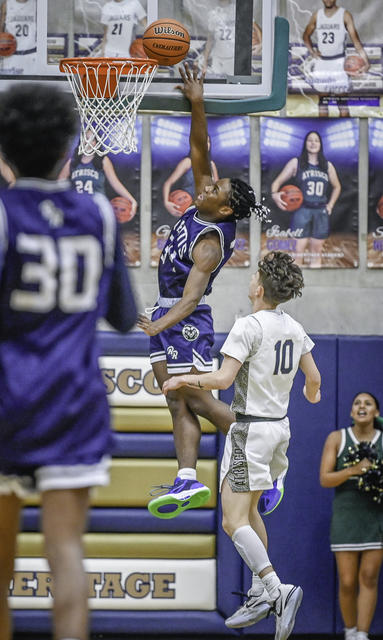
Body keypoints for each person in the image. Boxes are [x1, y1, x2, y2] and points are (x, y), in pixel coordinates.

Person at [0, 83, 137, 640]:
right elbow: (124, 316)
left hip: (8, 401)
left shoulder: (6, 216)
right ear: (69, 147)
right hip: (75, 404)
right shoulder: (99, 215)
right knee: (66, 555)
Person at [163, 250, 321, 638]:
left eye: (253, 276)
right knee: (250, 515)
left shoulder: (248, 326)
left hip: (250, 431)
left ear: (260, 287)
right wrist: (310, 396)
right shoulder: (294, 327)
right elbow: (314, 381)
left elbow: (221, 380)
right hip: (280, 430)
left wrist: (182, 381)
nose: (250, 280)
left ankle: (275, 589)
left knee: (232, 521)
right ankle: (258, 594)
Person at [137, 63, 270, 520]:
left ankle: (263, 460)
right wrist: (197, 101)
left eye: (215, 188)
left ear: (226, 206)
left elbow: (192, 300)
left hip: (185, 320)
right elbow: (200, 148)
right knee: (174, 396)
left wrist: (159, 323)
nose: (206, 184)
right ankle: (188, 478)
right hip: (168, 311)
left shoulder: (211, 242)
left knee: (195, 397)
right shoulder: (205, 202)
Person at [319, 392, 383, 640]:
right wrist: (355, 470)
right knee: (347, 581)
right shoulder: (337, 438)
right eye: (357, 403)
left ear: (376, 412)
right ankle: (350, 631)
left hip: (375, 517)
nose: (362, 406)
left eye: (368, 403)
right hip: (346, 516)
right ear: (351, 412)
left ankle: (363, 634)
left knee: (369, 578)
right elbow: (325, 478)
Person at [271, 130, 341, 269]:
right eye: (310, 140)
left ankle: (315, 288)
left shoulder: (327, 166)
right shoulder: (296, 163)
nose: (313, 143)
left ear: (320, 144)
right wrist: (274, 194)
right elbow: (277, 182)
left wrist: (330, 205)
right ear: (305, 143)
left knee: (316, 252)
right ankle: (296, 287)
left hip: (321, 210)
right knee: (297, 252)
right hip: (302, 209)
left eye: (316, 140)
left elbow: (337, 186)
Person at [303, 0, 369, 117]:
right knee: (323, 102)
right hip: (322, 63)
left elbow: (355, 40)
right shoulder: (317, 15)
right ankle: (323, 131)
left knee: (342, 102)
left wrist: (366, 61)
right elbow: (306, 35)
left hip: (339, 63)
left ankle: (347, 130)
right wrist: (312, 52)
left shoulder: (344, 15)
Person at [59, 141, 137, 217]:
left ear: (96, 142)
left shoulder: (103, 160)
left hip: (97, 206)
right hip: (78, 206)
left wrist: (131, 199)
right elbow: (59, 183)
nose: (88, 142)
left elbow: (115, 183)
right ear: (81, 141)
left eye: (92, 139)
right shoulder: (73, 160)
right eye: (86, 138)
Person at [202, 0, 262, 77]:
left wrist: (260, 45)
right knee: (217, 84)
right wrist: (205, 61)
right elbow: (210, 39)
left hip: (233, 58)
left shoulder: (239, 10)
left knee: (232, 85)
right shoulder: (213, 13)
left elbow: (257, 29)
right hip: (217, 58)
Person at [162, 135, 219, 217]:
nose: (206, 144)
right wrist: (166, 203)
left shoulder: (211, 164)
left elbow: (217, 190)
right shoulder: (188, 162)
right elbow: (168, 183)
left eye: (208, 142)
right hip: (187, 208)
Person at [0, 0, 37, 75]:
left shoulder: (36, 4)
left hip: (31, 53)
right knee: (9, 85)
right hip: (11, 55)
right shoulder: (6, 4)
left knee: (32, 85)